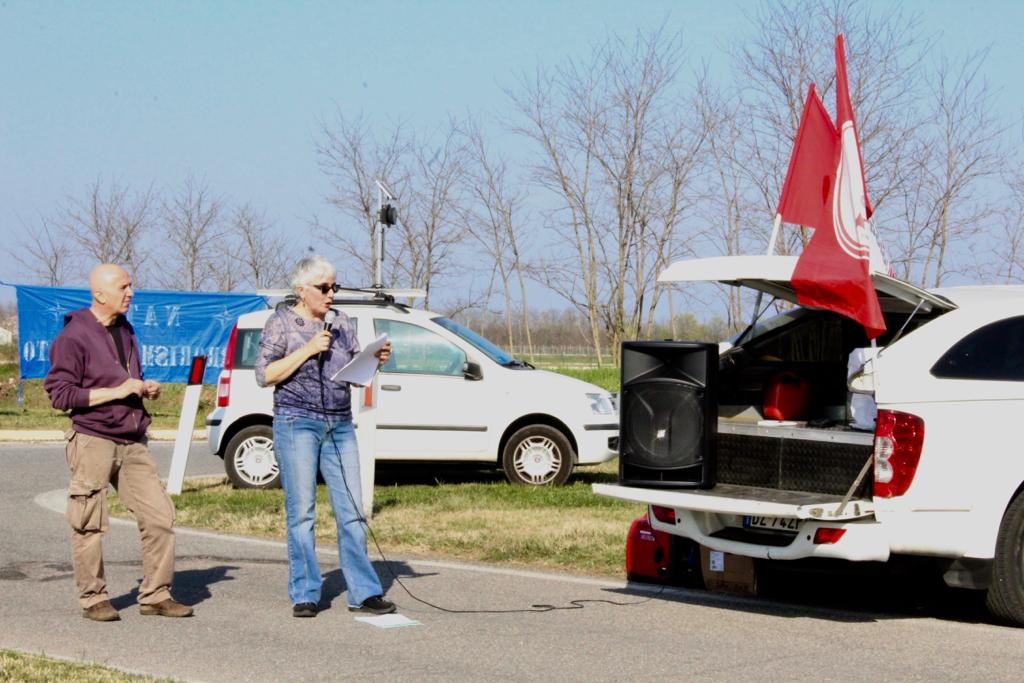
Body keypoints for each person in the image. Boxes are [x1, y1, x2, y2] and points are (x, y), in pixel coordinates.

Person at [44, 264, 193, 622]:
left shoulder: (124, 329)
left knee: (159, 516)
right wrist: (118, 391)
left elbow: (126, 379)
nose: (131, 292)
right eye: (124, 287)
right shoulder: (73, 337)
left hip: (132, 440)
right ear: (100, 294)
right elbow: (60, 394)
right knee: (89, 520)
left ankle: (156, 594)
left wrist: (143, 387)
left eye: (131, 285)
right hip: (93, 438)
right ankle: (93, 598)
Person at [254, 255, 396, 618]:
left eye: (335, 287)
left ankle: (363, 592)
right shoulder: (281, 323)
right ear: (301, 289)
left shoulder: (342, 322)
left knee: (352, 511)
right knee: (302, 513)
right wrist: (306, 350)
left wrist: (374, 359)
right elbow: (265, 374)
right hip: (296, 421)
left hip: (339, 424)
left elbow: (352, 373)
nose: (331, 294)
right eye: (324, 287)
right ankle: (305, 591)